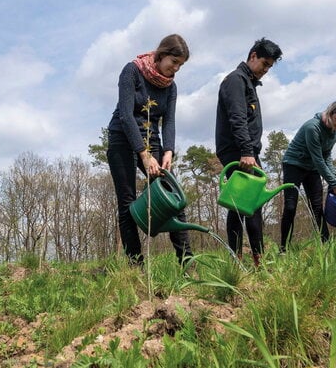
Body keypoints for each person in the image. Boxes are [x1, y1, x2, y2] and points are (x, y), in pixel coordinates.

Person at [106, 34, 194, 268]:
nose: (176, 69)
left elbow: (170, 121)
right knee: (127, 203)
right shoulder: (132, 71)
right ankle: (137, 265)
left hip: (152, 139)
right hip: (122, 139)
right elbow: (126, 116)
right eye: (173, 62)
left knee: (173, 196)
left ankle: (187, 263)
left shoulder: (170, 86)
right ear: (161, 54)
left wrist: (168, 151)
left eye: (180, 65)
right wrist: (143, 155)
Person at [215, 38, 283, 267]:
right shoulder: (236, 80)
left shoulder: (248, 82)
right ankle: (257, 261)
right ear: (252, 56)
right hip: (239, 152)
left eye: (269, 67)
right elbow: (237, 118)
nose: (266, 70)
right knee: (250, 204)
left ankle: (239, 259)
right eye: (264, 64)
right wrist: (246, 151)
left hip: (246, 152)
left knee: (239, 206)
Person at [279, 100, 336, 252]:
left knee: (317, 207)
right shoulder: (312, 127)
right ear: (330, 114)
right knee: (290, 207)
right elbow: (318, 158)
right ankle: (283, 249)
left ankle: (326, 247)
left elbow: (326, 156)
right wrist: (333, 183)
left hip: (312, 168)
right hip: (294, 164)